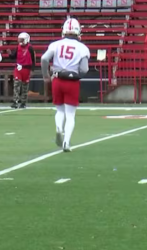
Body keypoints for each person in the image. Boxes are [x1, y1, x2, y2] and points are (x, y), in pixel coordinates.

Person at [41, 19, 90, 152]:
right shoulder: (82, 48)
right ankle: (66, 142)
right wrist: (76, 75)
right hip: (72, 81)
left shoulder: (55, 44)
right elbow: (84, 69)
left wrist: (46, 76)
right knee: (70, 114)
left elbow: (44, 59)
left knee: (60, 110)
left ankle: (58, 128)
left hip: (57, 79)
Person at [11, 32, 35, 109]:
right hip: (18, 68)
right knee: (17, 85)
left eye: (22, 40)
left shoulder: (30, 48)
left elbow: (33, 59)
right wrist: (9, 54)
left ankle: (23, 102)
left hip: (27, 69)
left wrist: (32, 70)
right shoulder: (17, 47)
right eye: (19, 40)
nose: (20, 41)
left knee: (25, 87)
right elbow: (13, 56)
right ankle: (15, 101)